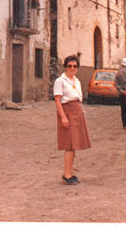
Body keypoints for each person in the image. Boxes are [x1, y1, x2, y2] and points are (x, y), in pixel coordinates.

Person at [53, 55, 91, 185]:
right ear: (65, 67)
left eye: (75, 66)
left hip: (76, 111)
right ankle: (66, 174)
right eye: (69, 66)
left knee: (74, 144)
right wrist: (63, 117)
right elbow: (57, 100)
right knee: (68, 145)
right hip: (67, 111)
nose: (72, 68)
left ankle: (70, 172)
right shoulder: (60, 81)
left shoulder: (77, 81)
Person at [114, 57, 126, 128]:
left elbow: (116, 84)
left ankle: (125, 125)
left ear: (122, 65)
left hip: (122, 94)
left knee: (124, 109)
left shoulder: (118, 73)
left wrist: (121, 91)